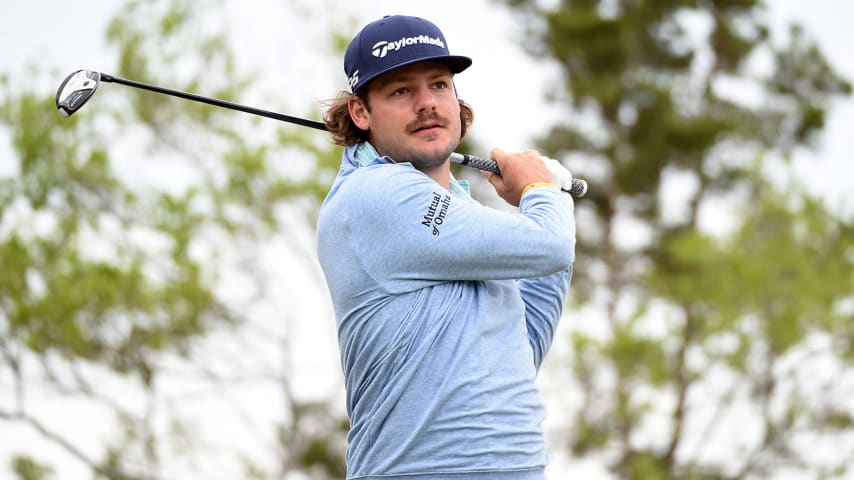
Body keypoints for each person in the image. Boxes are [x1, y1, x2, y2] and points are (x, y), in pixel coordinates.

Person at [317, 14, 576, 480]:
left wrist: (545, 198)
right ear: (360, 113)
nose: (426, 104)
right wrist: (541, 193)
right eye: (400, 91)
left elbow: (521, 350)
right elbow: (551, 243)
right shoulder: (375, 196)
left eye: (439, 85)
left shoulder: (458, 218)